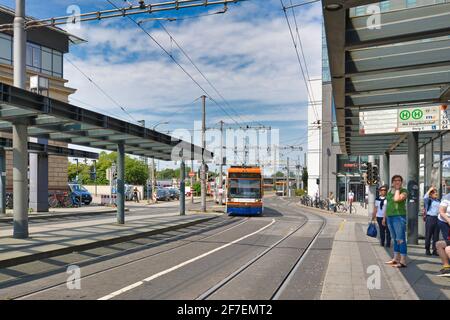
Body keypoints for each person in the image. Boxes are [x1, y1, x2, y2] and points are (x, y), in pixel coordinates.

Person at [384, 175, 408, 268]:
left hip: (399, 217)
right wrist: (384, 217)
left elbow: (397, 199)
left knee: (400, 239)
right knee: (395, 239)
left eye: (399, 180)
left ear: (401, 182)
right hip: (390, 217)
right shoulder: (390, 191)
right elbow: (388, 204)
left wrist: (398, 189)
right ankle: (395, 258)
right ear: (392, 182)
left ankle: (402, 261)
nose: (397, 182)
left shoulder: (404, 191)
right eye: (395, 180)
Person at [423, 186, 440, 256]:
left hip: (437, 219)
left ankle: (435, 250)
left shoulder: (439, 201)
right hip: (430, 218)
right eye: (434, 193)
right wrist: (430, 189)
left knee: (436, 236)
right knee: (428, 235)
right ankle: (427, 249)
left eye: (436, 192)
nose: (436, 193)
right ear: (431, 194)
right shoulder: (428, 200)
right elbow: (425, 197)